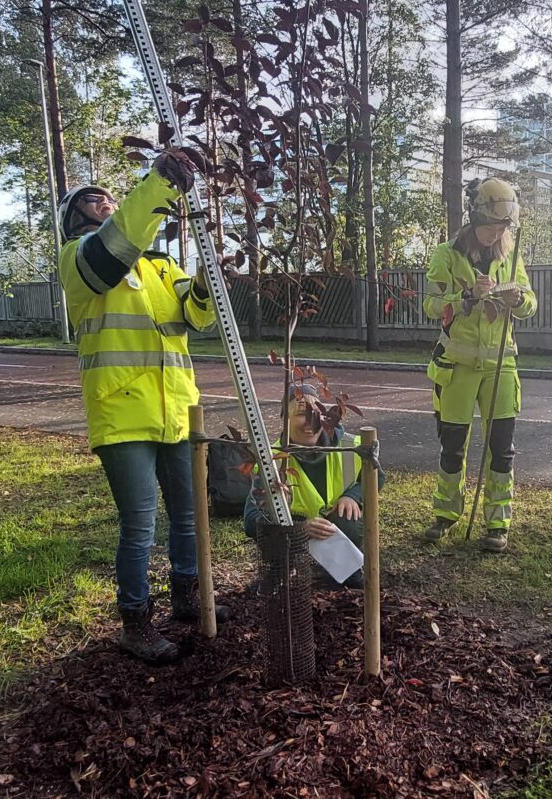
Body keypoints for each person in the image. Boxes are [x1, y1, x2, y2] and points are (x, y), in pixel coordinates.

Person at [56, 150, 228, 665]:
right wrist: (156, 189)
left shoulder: (161, 265)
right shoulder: (80, 260)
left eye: (110, 197)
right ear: (73, 216)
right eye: (94, 200)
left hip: (177, 410)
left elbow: (197, 320)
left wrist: (205, 281)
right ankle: (134, 621)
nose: (105, 202)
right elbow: (116, 249)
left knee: (187, 516)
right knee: (140, 525)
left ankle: (186, 598)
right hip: (123, 413)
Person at [421, 177, 537, 553]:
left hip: (502, 365)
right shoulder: (446, 254)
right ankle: (445, 514)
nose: (494, 234)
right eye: (489, 227)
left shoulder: (511, 255)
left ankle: (497, 523)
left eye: (501, 228)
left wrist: (518, 300)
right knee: (452, 447)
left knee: (501, 447)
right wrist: (466, 295)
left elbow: (531, 305)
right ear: (473, 219)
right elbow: (431, 306)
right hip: (456, 366)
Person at [243, 383, 385, 589]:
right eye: (301, 413)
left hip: (336, 526)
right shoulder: (271, 460)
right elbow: (251, 521)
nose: (310, 421)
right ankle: (279, 572)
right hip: (295, 530)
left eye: (316, 413)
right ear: (285, 419)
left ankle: (348, 572)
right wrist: (298, 528)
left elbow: (377, 476)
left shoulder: (349, 446)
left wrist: (353, 496)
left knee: (348, 518)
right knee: (269, 527)